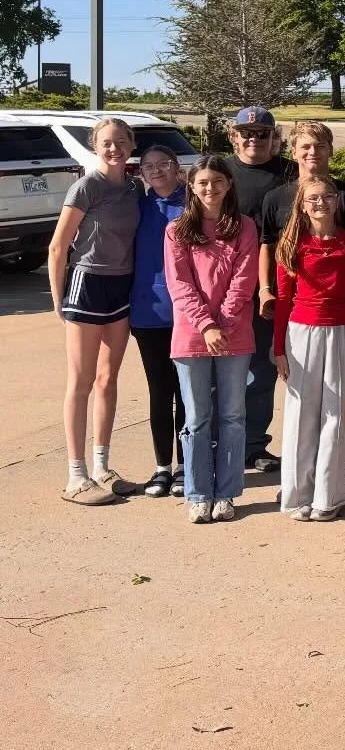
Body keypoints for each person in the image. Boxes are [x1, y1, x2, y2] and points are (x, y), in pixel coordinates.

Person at [259, 121, 345, 500]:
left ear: (330, 150)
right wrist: (266, 292)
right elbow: (271, 251)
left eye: (320, 146)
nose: (313, 153)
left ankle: (342, 473)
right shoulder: (276, 200)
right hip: (299, 320)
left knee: (339, 405)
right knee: (302, 407)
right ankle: (298, 482)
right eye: (305, 146)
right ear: (294, 151)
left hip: (341, 320)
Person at [49, 117, 142, 505]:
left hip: (121, 285)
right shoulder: (87, 186)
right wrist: (59, 303)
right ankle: (76, 475)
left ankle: (103, 466)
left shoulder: (135, 188)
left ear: (131, 143)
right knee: (81, 381)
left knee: (108, 378)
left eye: (121, 141)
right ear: (95, 145)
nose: (114, 148)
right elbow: (58, 247)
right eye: (106, 142)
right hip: (86, 285)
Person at [164, 157, 260, 524]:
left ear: (229, 185)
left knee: (233, 416)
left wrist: (224, 323)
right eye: (203, 182)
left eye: (217, 181)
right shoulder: (177, 230)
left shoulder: (244, 227)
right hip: (191, 337)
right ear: (192, 186)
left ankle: (228, 493)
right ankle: (198, 491)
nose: (210, 188)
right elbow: (180, 284)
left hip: (235, 335)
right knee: (197, 418)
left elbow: (244, 280)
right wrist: (206, 325)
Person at [227, 106, 296, 473]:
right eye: (247, 133)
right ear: (235, 136)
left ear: (274, 137)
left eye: (262, 134)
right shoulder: (221, 172)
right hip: (227, 288)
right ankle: (223, 444)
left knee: (262, 372)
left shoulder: (290, 173)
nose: (254, 139)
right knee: (226, 372)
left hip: (274, 289)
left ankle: (254, 445)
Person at [128, 146, 188, 498]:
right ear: (142, 173)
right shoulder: (137, 207)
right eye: (148, 167)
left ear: (176, 168)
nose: (156, 171)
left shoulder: (193, 206)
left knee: (187, 394)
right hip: (148, 313)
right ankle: (162, 466)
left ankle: (185, 465)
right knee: (159, 391)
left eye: (162, 164)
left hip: (187, 314)